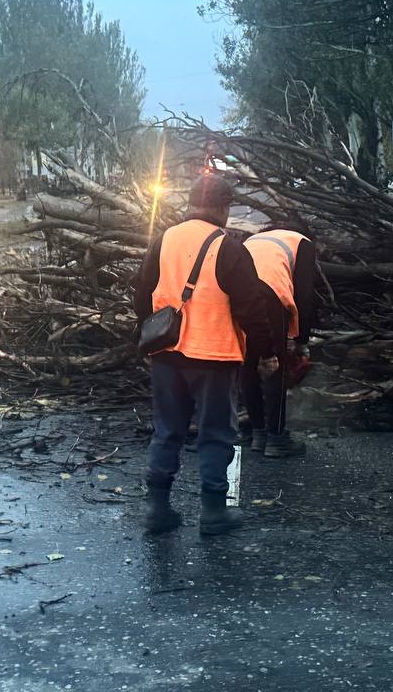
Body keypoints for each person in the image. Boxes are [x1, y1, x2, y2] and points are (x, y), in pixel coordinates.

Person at [132, 175, 277, 536]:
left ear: (191, 203)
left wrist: (149, 335)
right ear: (224, 208)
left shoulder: (163, 240)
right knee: (215, 432)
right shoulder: (228, 247)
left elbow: (140, 295)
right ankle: (214, 512)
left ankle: (157, 508)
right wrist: (266, 353)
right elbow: (252, 309)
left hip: (166, 353)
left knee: (167, 430)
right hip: (214, 356)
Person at [241, 224, 319, 458]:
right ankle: (276, 438)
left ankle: (258, 433)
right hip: (270, 294)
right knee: (277, 365)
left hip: (237, 297)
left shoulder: (253, 239)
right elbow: (304, 295)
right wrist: (301, 340)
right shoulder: (302, 242)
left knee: (248, 363)